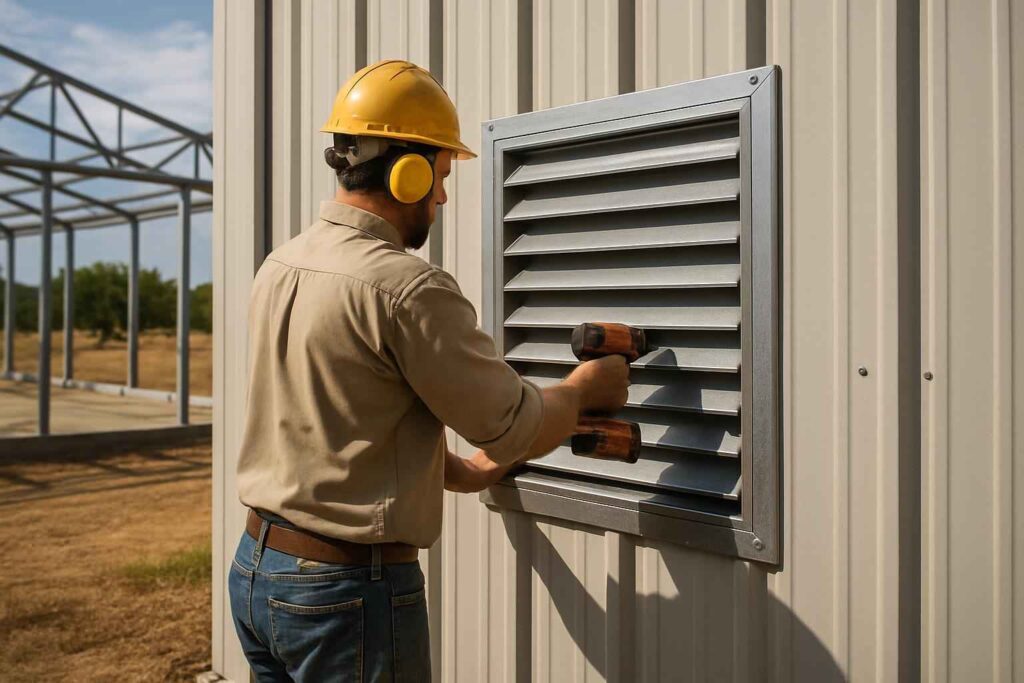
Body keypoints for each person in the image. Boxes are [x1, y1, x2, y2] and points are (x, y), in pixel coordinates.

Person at [227, 60, 629, 682]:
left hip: (258, 573)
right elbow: (512, 424)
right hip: (345, 595)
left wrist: (459, 471)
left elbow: (347, 402)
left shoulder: (281, 265)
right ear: (406, 173)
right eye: (440, 176)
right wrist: (582, 391)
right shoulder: (405, 288)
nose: (442, 195)